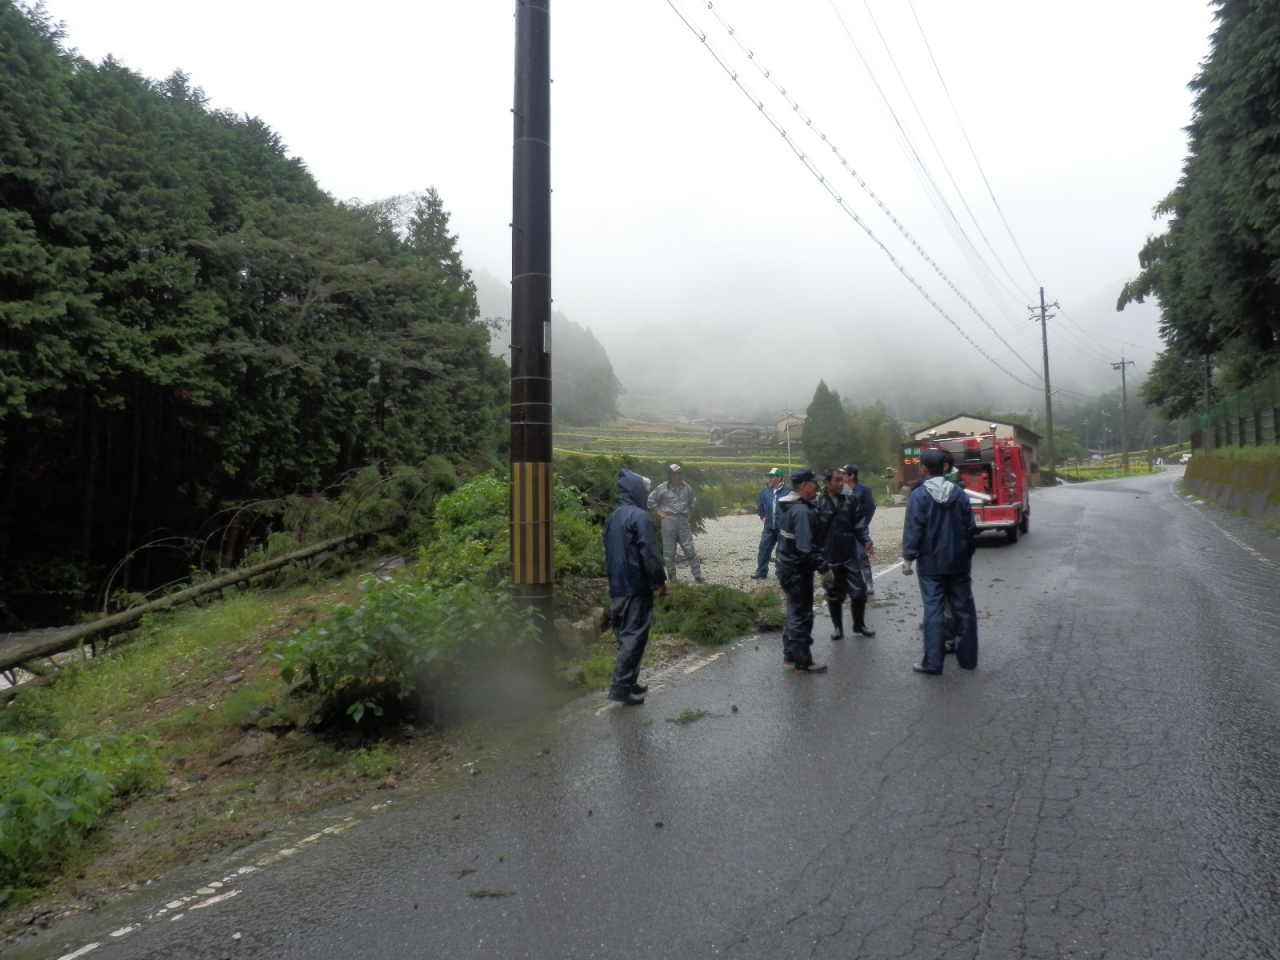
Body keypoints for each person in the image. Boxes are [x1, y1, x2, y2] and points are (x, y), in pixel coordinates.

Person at [901, 448, 979, 675]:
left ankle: (933, 663)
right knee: (964, 609)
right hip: (959, 562)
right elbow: (970, 528)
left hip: (931, 564)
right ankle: (968, 660)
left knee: (933, 610)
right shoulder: (958, 492)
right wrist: (966, 552)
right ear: (944, 467)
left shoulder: (919, 495)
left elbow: (914, 529)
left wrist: (908, 556)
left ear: (923, 468)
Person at [603, 469, 668, 706]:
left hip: (617, 585)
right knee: (634, 637)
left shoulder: (613, 517)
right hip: (635, 585)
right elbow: (649, 553)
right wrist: (659, 581)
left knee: (624, 635)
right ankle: (620, 689)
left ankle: (629, 681)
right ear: (636, 491)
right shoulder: (639, 517)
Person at [775, 468, 828, 674]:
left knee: (792, 610)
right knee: (802, 615)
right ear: (804, 486)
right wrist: (823, 567)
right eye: (815, 483)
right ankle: (802, 662)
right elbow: (805, 548)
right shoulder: (802, 512)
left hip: (786, 567)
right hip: (797, 571)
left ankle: (789, 655)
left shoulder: (791, 507)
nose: (818, 486)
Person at [816, 468, 875, 641]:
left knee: (859, 592)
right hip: (829, 557)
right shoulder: (818, 504)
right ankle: (837, 628)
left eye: (842, 480)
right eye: (837, 480)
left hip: (849, 555)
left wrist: (866, 540)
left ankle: (859, 624)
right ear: (826, 483)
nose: (841, 483)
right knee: (833, 595)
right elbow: (814, 533)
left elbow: (859, 524)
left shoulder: (851, 500)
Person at [647, 463, 705, 584]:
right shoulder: (662, 488)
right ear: (671, 476)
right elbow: (651, 500)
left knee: (689, 548)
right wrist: (658, 510)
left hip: (683, 520)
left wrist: (689, 510)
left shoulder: (687, 487)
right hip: (669, 520)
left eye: (680, 473)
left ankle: (697, 575)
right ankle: (672, 577)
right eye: (677, 474)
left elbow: (692, 500)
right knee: (669, 551)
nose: (679, 476)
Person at [840, 464, 877, 596]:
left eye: (844, 474)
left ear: (852, 476)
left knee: (862, 555)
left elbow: (870, 508)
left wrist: (864, 524)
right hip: (844, 528)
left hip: (859, 528)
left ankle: (868, 583)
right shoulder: (841, 490)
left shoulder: (863, 490)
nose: (842, 476)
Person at [752, 467, 791, 579]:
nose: (769, 479)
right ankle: (761, 572)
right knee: (764, 547)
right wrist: (762, 516)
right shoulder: (765, 490)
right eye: (769, 476)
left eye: (772, 476)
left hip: (783, 526)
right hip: (769, 526)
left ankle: (781, 572)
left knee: (782, 550)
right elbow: (759, 503)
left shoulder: (788, 489)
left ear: (779, 478)